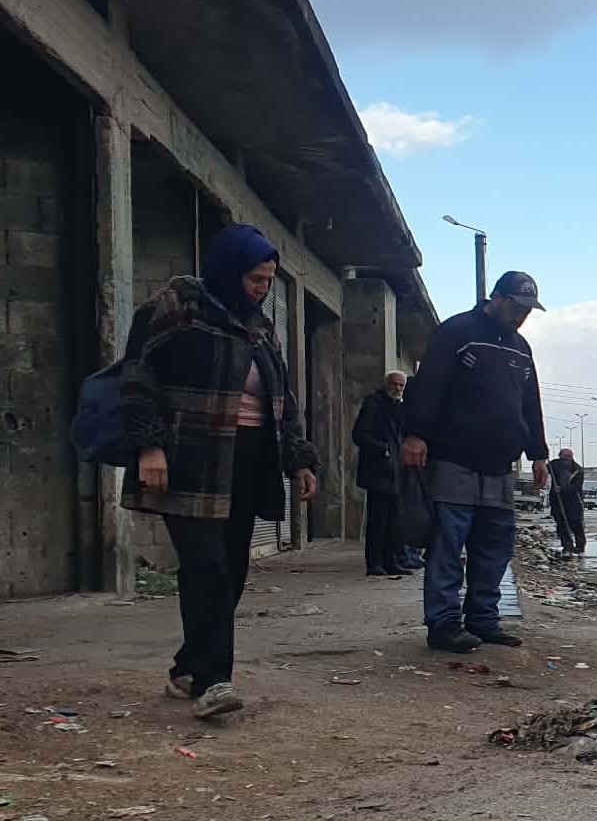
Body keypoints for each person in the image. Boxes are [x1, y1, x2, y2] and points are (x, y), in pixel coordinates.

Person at [121, 224, 319, 719]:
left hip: (249, 460)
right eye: (255, 278)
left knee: (229, 570)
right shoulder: (178, 306)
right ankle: (215, 682)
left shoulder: (260, 326)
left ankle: (188, 665)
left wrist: (300, 459)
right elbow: (138, 375)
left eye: (270, 280)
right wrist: (149, 446)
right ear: (230, 270)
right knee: (207, 566)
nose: (262, 289)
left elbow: (282, 399)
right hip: (189, 459)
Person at [402, 271, 550, 653]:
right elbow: (428, 384)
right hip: (455, 459)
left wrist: (538, 454)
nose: (521, 317)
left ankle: (483, 618)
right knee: (449, 544)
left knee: (495, 545)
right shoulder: (457, 332)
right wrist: (416, 434)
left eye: (527, 311)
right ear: (497, 298)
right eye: (516, 308)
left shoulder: (522, 348)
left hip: (501, 464)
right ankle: (443, 623)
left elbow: (530, 403)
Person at [352, 371, 408, 576]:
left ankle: (390, 561)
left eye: (402, 386)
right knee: (378, 520)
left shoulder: (400, 408)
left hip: (396, 473)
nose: (398, 389)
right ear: (386, 384)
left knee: (394, 520)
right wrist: (383, 449)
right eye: (395, 384)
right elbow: (359, 435)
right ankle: (374, 563)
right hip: (378, 472)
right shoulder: (374, 404)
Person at [548, 447, 587, 554]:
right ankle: (567, 547)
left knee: (575, 523)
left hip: (573, 501)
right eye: (563, 458)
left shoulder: (578, 470)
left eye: (568, 458)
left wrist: (562, 489)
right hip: (558, 501)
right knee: (561, 525)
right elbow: (547, 468)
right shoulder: (555, 465)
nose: (565, 461)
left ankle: (580, 546)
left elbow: (577, 487)